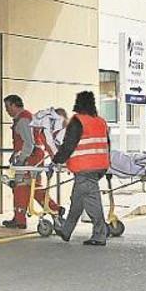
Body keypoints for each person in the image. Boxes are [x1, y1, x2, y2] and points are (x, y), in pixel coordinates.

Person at [51, 91, 111, 246]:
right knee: (77, 200)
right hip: (99, 167)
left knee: (92, 202)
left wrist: (57, 159)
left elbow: (69, 144)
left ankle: (100, 234)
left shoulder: (77, 121)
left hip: (84, 167)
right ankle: (66, 231)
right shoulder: (100, 121)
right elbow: (107, 144)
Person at [3, 95, 62, 229]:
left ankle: (20, 220)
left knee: (20, 187)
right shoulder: (28, 117)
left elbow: (28, 143)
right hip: (34, 157)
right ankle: (55, 209)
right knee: (34, 188)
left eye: (7, 107)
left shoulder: (23, 120)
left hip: (29, 159)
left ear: (14, 105)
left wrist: (21, 160)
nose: (6, 110)